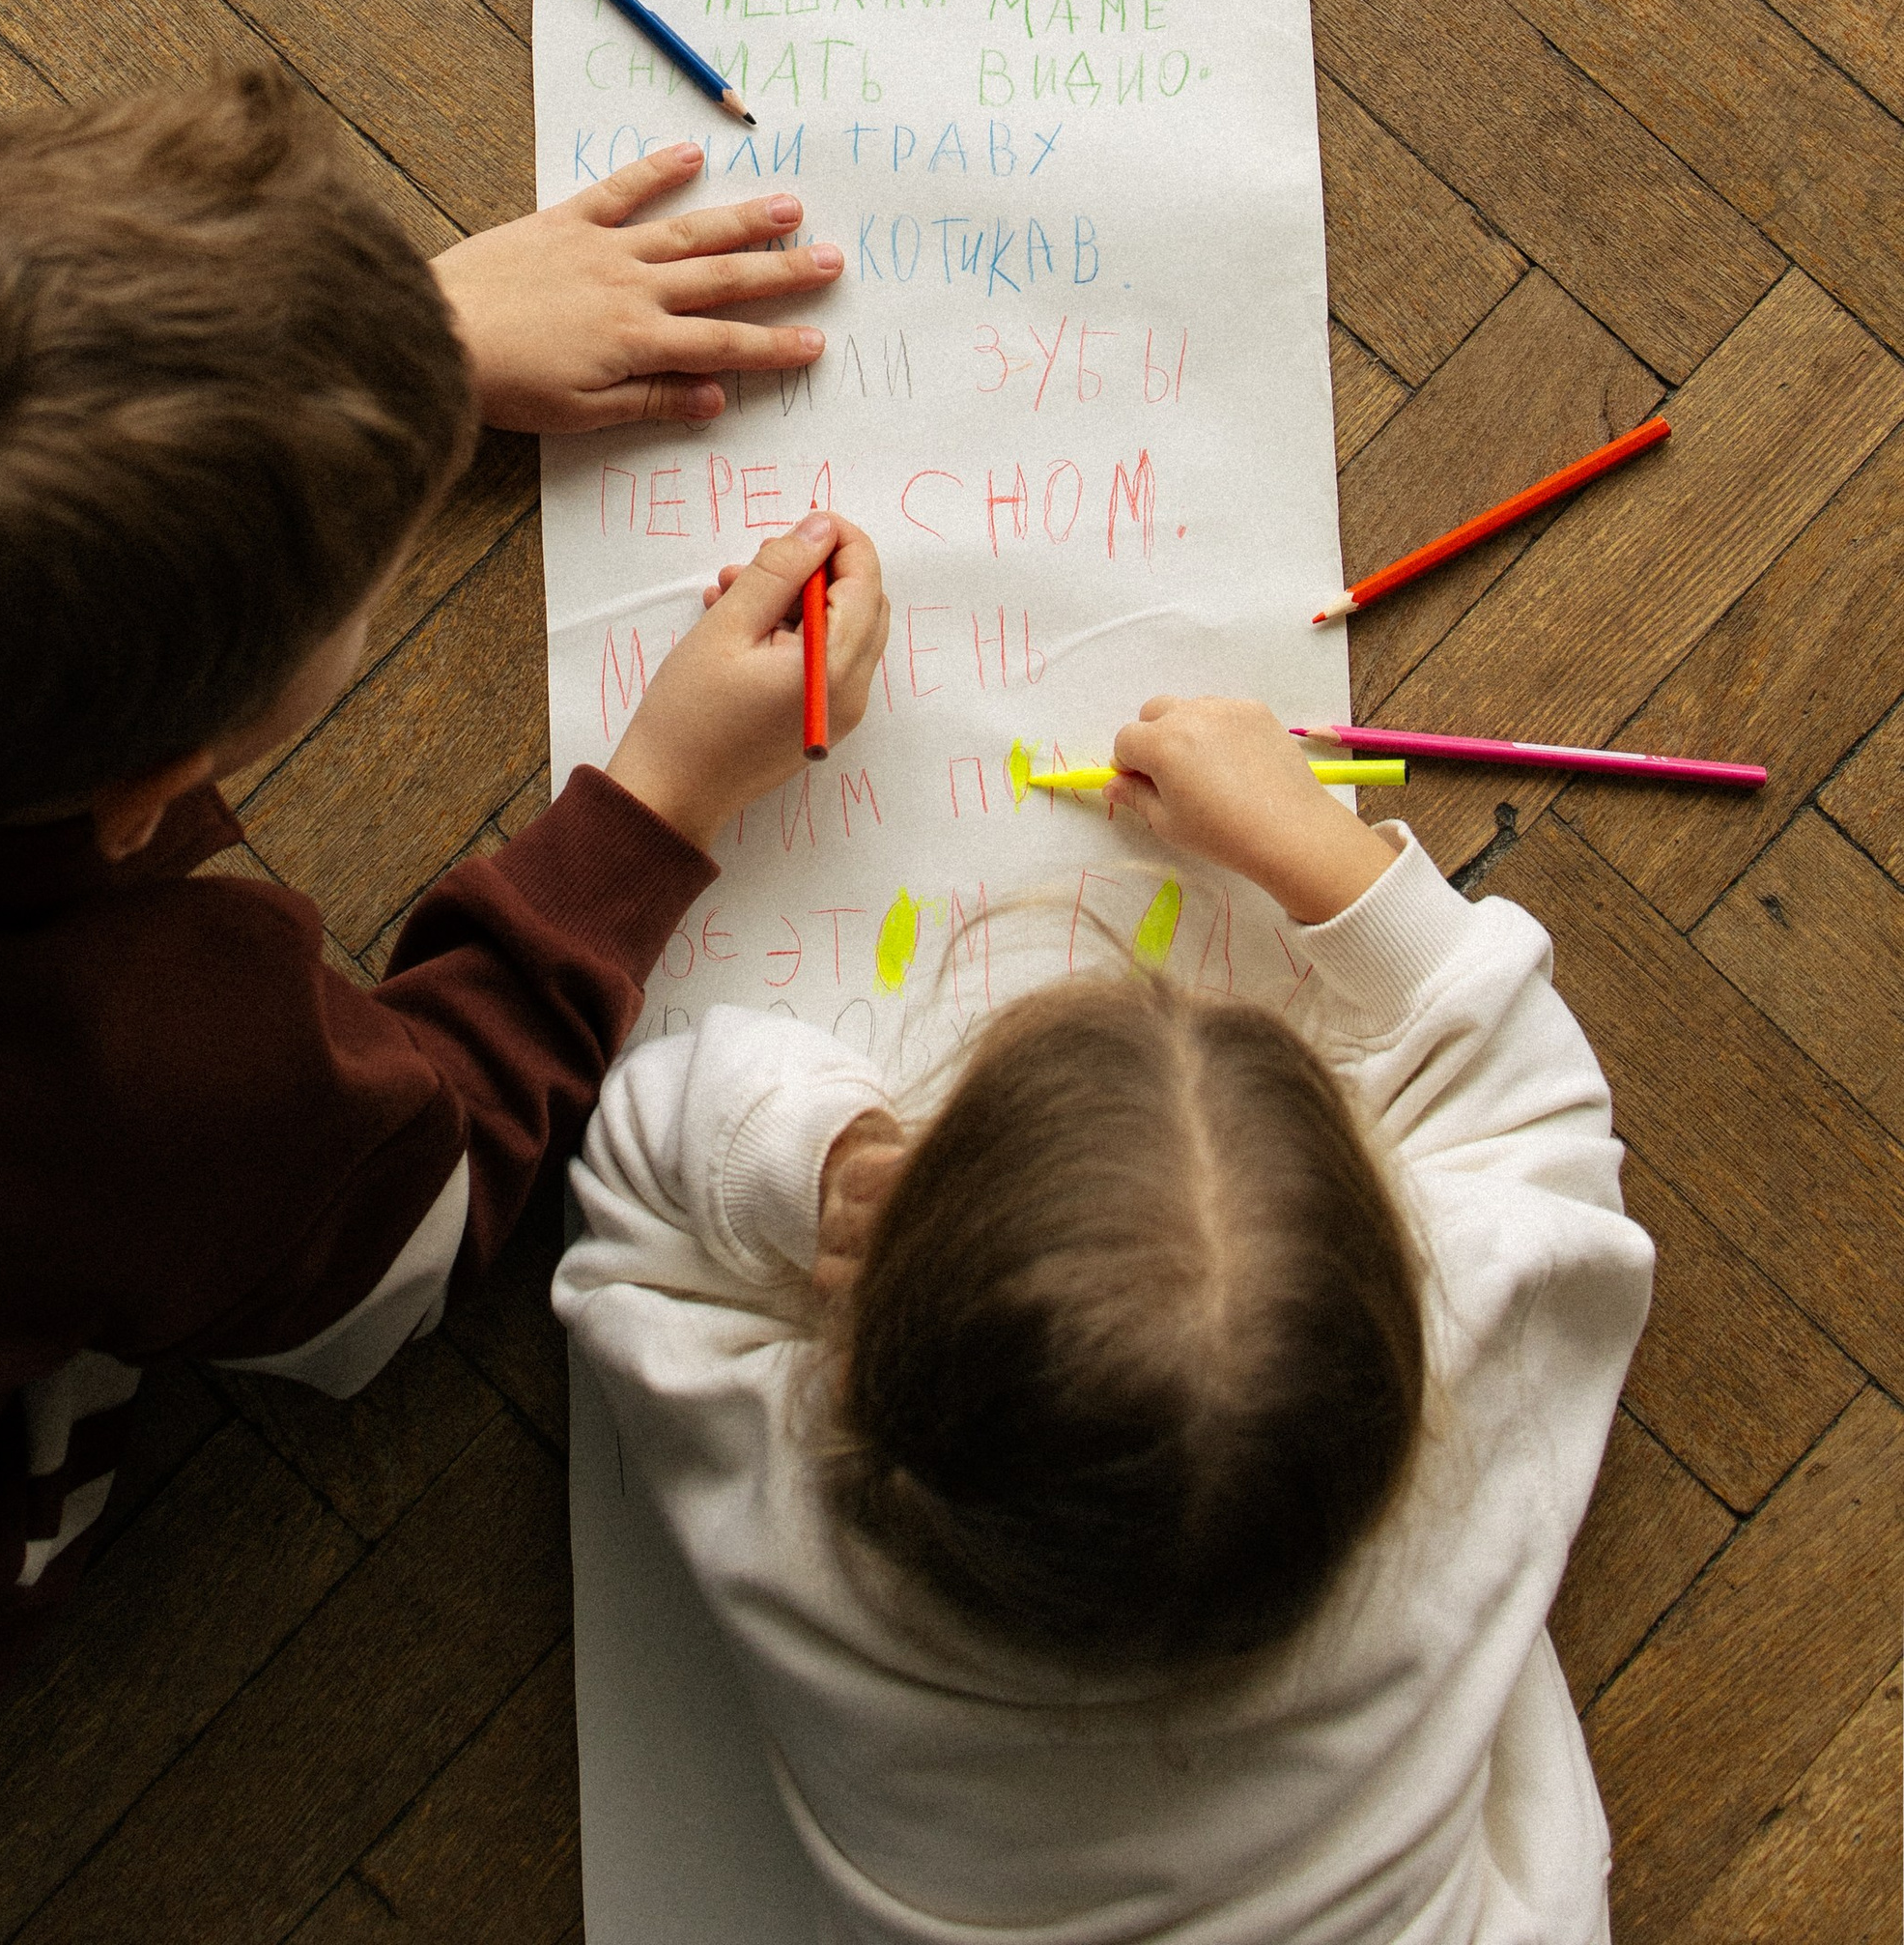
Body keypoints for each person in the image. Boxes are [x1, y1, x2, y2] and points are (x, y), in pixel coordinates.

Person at [0, 62, 889, 1939]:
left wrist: (389, 353)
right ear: (152, 793)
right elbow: (406, 1247)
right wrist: (654, 813)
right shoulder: (145, 1074)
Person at [558, 689, 1654, 1945]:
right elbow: (1537, 1106)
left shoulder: (793, 1539)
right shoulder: (1488, 1378)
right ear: (1410, 1333)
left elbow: (631, 1189)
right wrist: (1313, 846)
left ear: (867, 1355)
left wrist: (831, 1162)